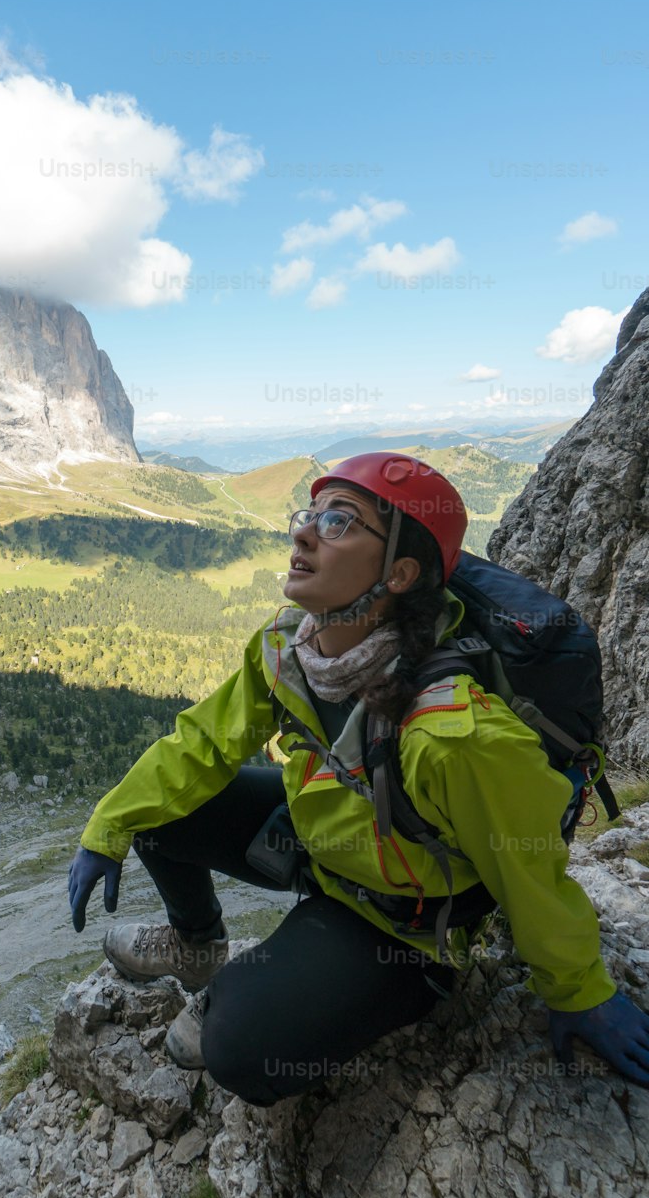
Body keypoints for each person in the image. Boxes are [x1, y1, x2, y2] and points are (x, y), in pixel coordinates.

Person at [67, 452, 649, 1105]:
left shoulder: (455, 735)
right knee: (155, 810)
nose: (304, 534)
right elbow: (206, 740)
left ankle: (406, 984)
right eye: (309, 515)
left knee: (237, 1048)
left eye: (339, 522)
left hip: (399, 919)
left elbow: (528, 869)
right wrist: (108, 828)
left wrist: (582, 993)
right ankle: (199, 945)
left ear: (399, 574)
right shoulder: (294, 644)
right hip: (324, 842)